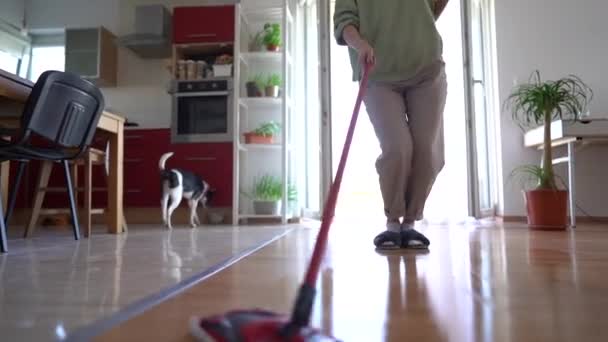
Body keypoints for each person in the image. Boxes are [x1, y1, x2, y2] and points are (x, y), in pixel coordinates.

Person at [333, 0, 449, 249]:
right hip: (378, 73)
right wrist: (361, 44)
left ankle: (409, 224)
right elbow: (344, 22)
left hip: (426, 69)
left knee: (427, 151)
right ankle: (393, 221)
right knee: (398, 148)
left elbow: (433, 8)